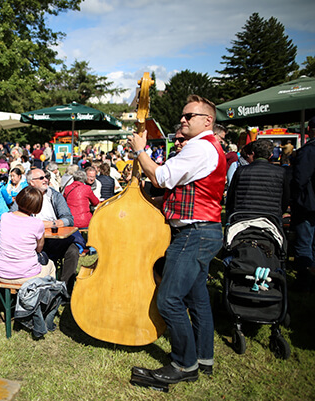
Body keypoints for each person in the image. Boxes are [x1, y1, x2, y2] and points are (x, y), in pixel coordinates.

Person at [128, 94, 226, 383]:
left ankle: (184, 365)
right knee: (197, 300)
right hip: (202, 231)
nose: (182, 120)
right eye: (183, 116)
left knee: (169, 300)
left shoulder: (200, 149)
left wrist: (140, 151)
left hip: (194, 234)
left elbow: (161, 178)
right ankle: (203, 359)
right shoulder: (205, 148)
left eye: (189, 116)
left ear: (207, 120)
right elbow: (179, 192)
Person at [11, 168, 77, 292]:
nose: (46, 180)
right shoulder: (24, 196)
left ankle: (64, 289)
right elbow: (12, 215)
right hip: (30, 240)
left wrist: (51, 224)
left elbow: (69, 219)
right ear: (31, 182)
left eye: (46, 177)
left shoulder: (54, 195)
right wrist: (35, 225)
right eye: (41, 178)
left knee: (72, 251)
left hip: (54, 239)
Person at [0, 187, 56, 284]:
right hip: (27, 274)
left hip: (2, 273)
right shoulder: (37, 223)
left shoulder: (5, 217)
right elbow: (39, 248)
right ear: (37, 205)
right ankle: (46, 297)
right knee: (51, 265)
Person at [226, 139, 290, 219]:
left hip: (243, 216)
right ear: (271, 155)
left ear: (253, 153)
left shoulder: (241, 171)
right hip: (270, 217)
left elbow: (231, 196)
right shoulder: (280, 172)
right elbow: (285, 198)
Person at [291, 116, 315, 290]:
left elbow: (299, 179)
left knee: (304, 242)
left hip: (308, 205)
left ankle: (304, 281)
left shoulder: (309, 151)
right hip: (309, 203)